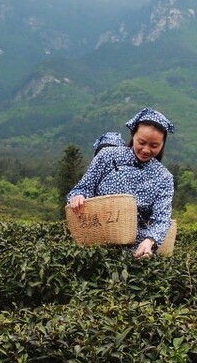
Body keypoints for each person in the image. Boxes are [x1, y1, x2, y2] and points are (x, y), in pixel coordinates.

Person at [67, 108, 175, 258]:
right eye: (141, 142)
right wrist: (78, 196)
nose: (146, 150)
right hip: (95, 245)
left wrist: (149, 241)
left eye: (154, 146)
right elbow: (83, 187)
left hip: (136, 251)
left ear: (162, 144)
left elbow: (162, 219)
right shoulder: (108, 156)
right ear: (133, 136)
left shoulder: (164, 177)